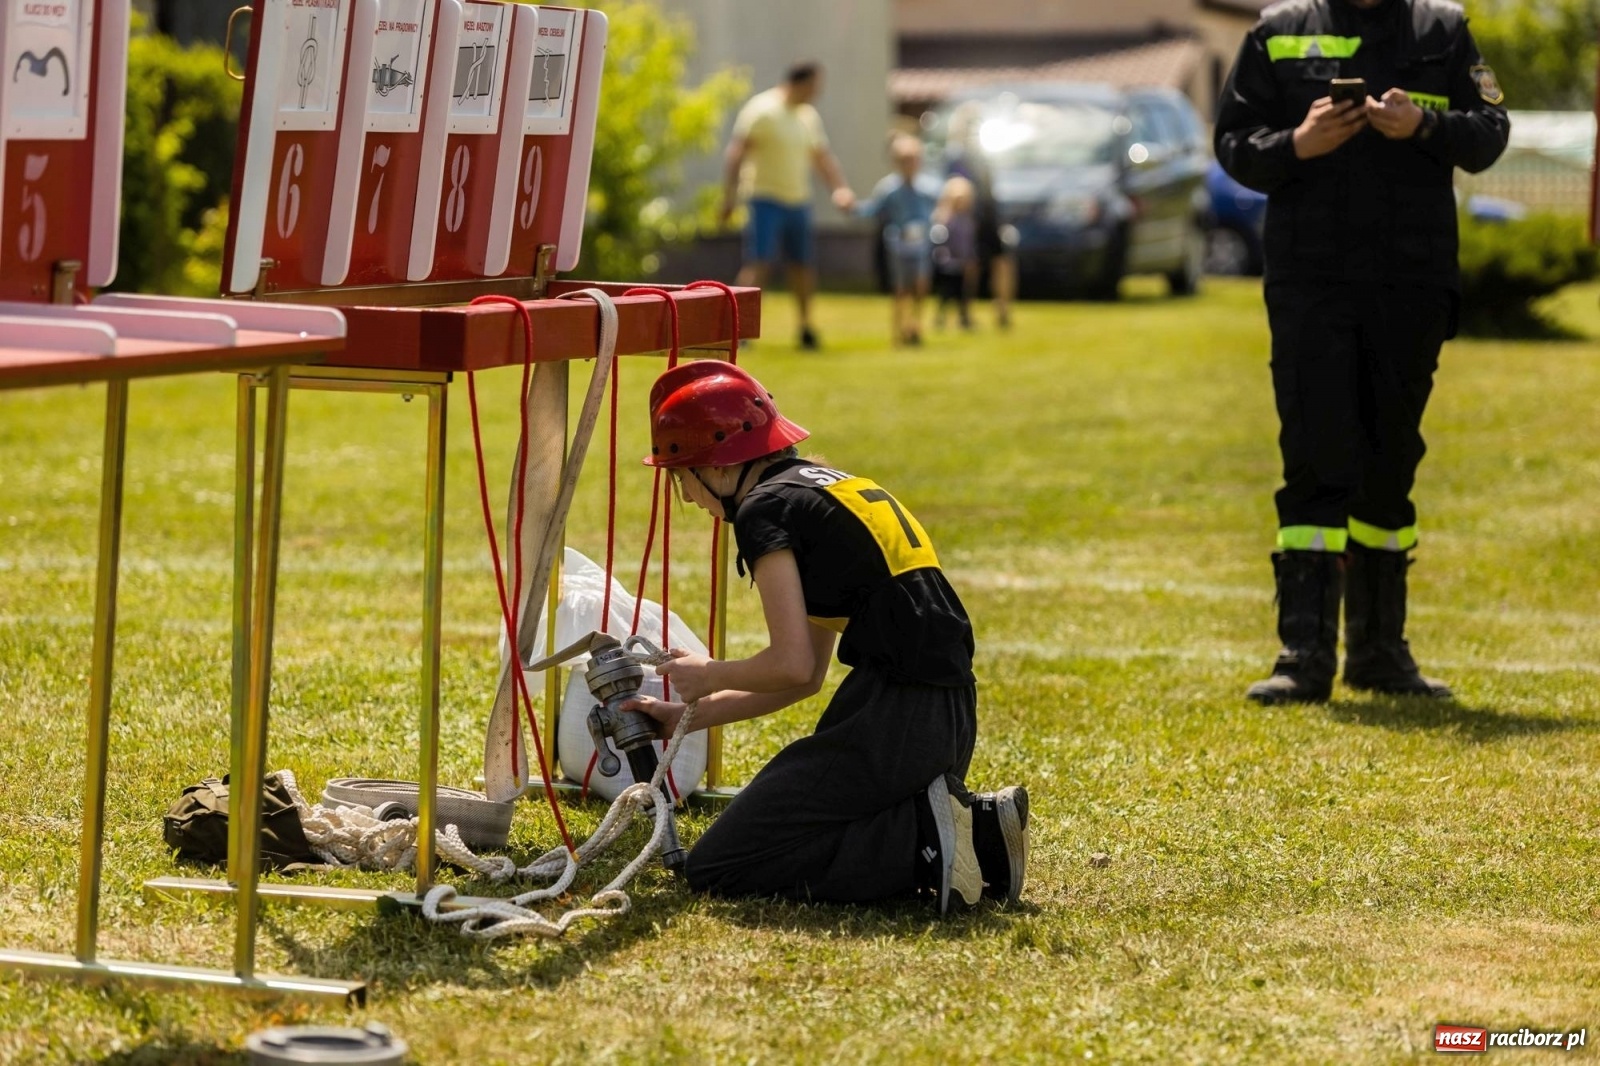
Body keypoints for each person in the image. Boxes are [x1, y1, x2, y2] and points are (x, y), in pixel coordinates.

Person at [623, 360, 1028, 914]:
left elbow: (788, 665)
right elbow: (806, 678)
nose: (688, 497)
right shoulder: (820, 492)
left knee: (718, 864)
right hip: (945, 718)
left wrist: (708, 672)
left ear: (716, 466)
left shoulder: (764, 510)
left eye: (681, 475)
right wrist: (686, 716)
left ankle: (935, 838)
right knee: (783, 829)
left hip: (894, 717)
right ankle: (957, 826)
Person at [1214, 0, 1509, 705]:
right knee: (1315, 456)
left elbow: (1490, 132)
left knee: (1390, 458)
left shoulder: (1442, 29)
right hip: (1311, 284)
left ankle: (1379, 652)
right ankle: (1303, 654)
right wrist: (1298, 144)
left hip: (1411, 282)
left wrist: (1424, 125)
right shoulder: (1279, 31)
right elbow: (1232, 142)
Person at [720, 63, 856, 351]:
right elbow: (736, 154)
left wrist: (840, 189)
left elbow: (821, 157)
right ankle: (739, 329)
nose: (816, 93)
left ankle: (806, 327)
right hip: (764, 198)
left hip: (798, 201)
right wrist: (729, 198)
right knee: (759, 263)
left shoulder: (807, 116)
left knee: (803, 265)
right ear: (800, 83)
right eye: (814, 87)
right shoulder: (761, 111)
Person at [857, 134, 942, 346]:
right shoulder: (888, 189)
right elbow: (873, 210)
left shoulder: (930, 188)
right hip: (898, 245)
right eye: (904, 160)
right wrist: (852, 207)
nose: (909, 165)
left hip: (922, 245)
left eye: (913, 159)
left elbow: (941, 210)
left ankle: (915, 325)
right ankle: (898, 330)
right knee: (900, 288)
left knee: (921, 285)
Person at [945, 103, 1016, 330]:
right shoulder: (955, 157)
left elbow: (990, 187)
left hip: (988, 214)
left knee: (1002, 261)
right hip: (967, 217)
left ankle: (1003, 312)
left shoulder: (984, 155)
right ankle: (965, 312)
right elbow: (953, 188)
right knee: (969, 266)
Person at [931, 175, 980, 331]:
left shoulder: (968, 220)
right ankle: (941, 317)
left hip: (964, 263)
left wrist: (971, 258)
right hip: (949, 264)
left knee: (963, 293)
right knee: (946, 293)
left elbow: (970, 243)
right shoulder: (946, 219)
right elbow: (940, 241)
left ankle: (964, 317)